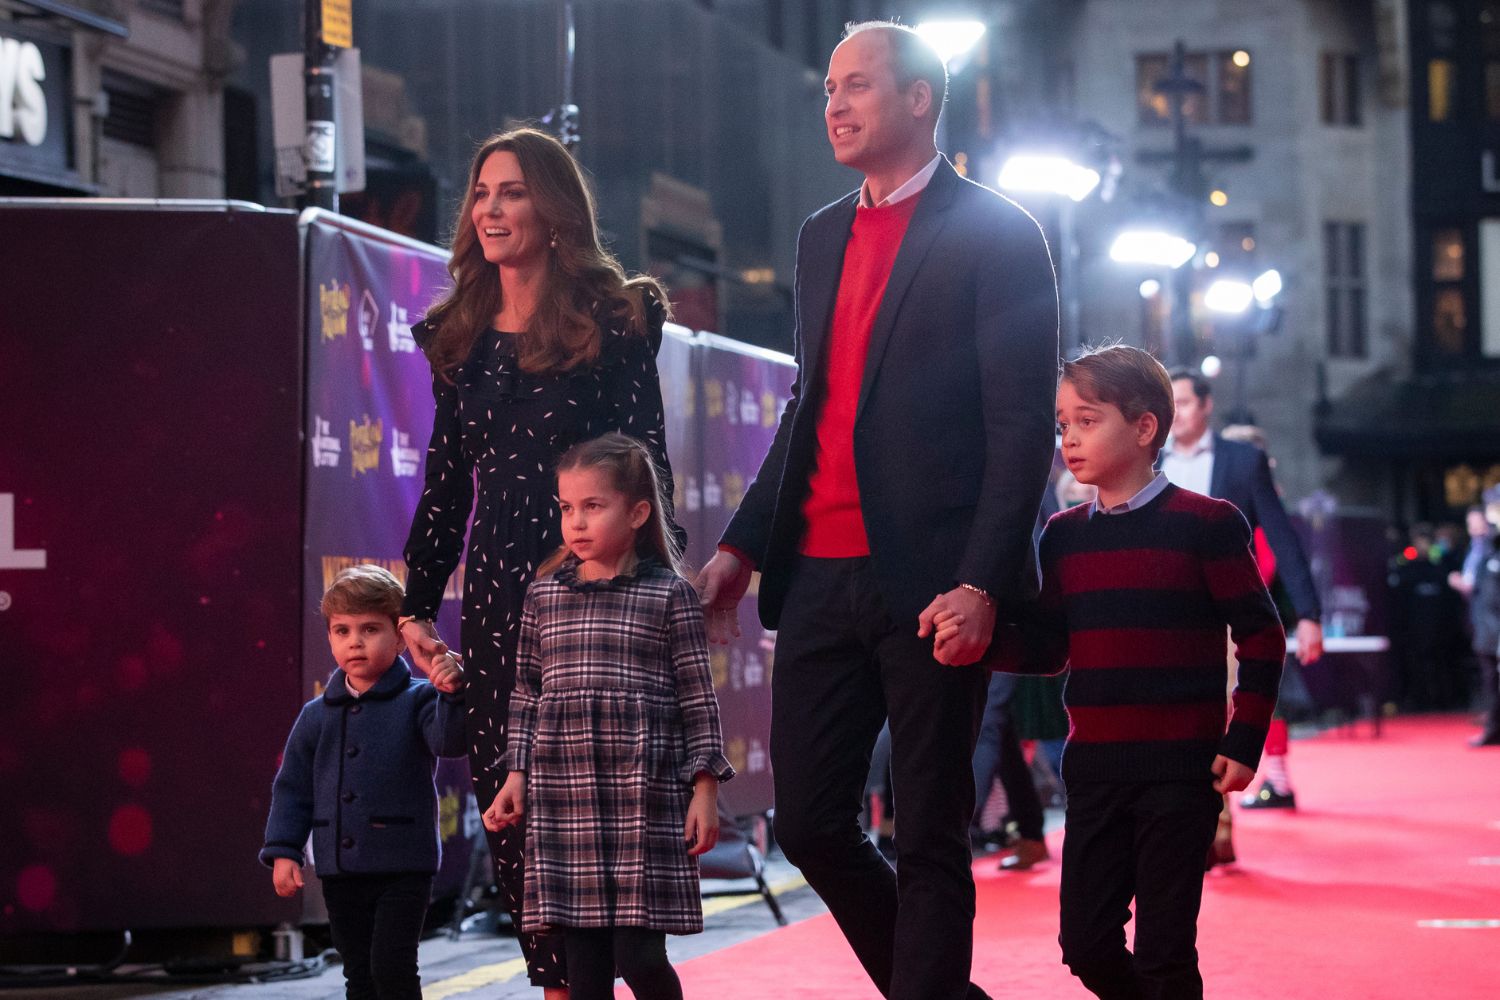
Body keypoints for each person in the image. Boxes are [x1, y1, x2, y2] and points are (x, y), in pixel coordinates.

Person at [695, 21, 1058, 999]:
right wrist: (738, 546)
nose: (836, 106)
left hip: (936, 578)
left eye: (857, 86)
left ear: (919, 100)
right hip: (817, 572)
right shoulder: (821, 235)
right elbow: (810, 407)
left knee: (932, 827)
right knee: (811, 821)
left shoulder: (998, 231)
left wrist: (985, 577)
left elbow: (1022, 426)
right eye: (827, 89)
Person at [397, 127, 680, 996]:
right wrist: (414, 607)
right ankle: (557, 988)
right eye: (481, 192)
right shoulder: (459, 337)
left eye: (511, 191)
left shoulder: (615, 319)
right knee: (517, 816)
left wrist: (601, 559)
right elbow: (446, 485)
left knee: (604, 814)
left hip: (594, 595)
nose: (490, 209)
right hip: (493, 598)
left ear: (553, 210)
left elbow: (650, 463)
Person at [982, 345, 1284, 999]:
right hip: (1095, 774)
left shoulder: (1207, 525)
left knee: (1165, 953)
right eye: (1063, 425)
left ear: (1145, 427)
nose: (1069, 439)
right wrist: (982, 644)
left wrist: (1244, 740)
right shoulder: (1062, 535)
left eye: (1087, 421)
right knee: (1084, 944)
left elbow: (1261, 635)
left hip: (1181, 772)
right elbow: (1050, 648)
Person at [486, 433, 734, 1000]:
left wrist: (705, 789)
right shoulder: (545, 595)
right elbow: (526, 693)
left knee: (639, 956)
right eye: (567, 508)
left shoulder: (669, 595)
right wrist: (515, 775)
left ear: (638, 512)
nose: (576, 522)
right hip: (563, 794)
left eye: (593, 506)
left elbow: (698, 699)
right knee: (584, 968)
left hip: (639, 797)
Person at [261, 565, 468, 1000]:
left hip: (403, 868)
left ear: (399, 637)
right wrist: (284, 851)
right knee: (358, 973)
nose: (354, 641)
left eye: (370, 629)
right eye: (342, 630)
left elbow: (449, 743)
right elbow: (293, 787)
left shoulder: (420, 698)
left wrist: (451, 693)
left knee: (391, 967)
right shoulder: (316, 714)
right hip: (340, 870)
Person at [1163, 370, 1320, 824]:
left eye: (1187, 401)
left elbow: (1283, 537)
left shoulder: (1242, 460)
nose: (1179, 413)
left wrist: (1308, 612)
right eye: (1171, 403)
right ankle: (1198, 824)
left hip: (1225, 608)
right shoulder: (1149, 460)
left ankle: (1215, 828)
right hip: (1163, 608)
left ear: (1207, 405)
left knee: (1218, 712)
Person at [1451, 503, 1500, 746]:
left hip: (1493, 624)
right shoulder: (1476, 550)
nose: (1473, 529)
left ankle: (1493, 726)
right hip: (1483, 622)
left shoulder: (1490, 548)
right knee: (1490, 677)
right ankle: (1493, 725)